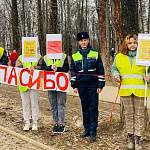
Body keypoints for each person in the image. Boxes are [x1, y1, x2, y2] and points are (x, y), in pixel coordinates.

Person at [111, 34, 150, 150]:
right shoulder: (119, 57)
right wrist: (116, 75)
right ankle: (130, 137)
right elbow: (114, 69)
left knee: (139, 115)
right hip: (126, 90)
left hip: (140, 90)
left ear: (138, 44)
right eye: (130, 43)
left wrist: (149, 76)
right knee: (128, 115)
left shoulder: (145, 56)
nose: (132, 45)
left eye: (135, 42)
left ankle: (138, 139)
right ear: (126, 44)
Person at [70, 32, 105, 143]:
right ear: (79, 42)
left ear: (88, 40)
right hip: (81, 85)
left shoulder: (95, 54)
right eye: (81, 41)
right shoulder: (75, 55)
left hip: (93, 85)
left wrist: (100, 84)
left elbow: (100, 70)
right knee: (85, 107)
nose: (83, 42)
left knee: (93, 107)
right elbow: (72, 72)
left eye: (85, 40)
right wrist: (74, 85)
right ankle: (86, 129)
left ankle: (93, 131)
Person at [41, 52, 69, 134]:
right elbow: (43, 68)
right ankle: (55, 123)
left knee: (61, 103)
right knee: (53, 104)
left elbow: (66, 68)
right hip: (50, 83)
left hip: (61, 83)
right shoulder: (46, 57)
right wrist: (50, 67)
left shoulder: (63, 56)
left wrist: (58, 69)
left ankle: (61, 124)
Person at [15, 54, 42, 131]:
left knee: (34, 103)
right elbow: (17, 68)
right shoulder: (20, 57)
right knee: (25, 103)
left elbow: (42, 67)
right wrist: (25, 69)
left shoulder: (38, 56)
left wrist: (35, 68)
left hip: (34, 83)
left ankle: (35, 122)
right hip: (23, 84)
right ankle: (27, 122)